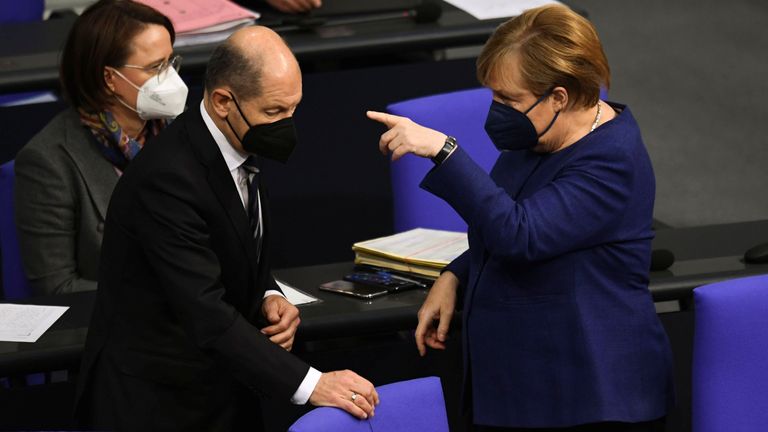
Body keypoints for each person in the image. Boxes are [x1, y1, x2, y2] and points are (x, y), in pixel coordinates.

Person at [368, 5, 673, 431]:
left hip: (589, 398)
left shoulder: (612, 160)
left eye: (508, 99)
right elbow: (504, 220)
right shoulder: (536, 135)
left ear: (559, 97)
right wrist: (456, 274)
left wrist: (444, 151)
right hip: (524, 385)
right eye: (493, 96)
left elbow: (521, 234)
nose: (496, 111)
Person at [75, 26, 379, 430]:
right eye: (274, 112)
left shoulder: (237, 141)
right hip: (156, 402)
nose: (287, 125)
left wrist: (267, 293)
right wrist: (312, 384)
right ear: (223, 101)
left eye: (293, 109)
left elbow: (233, 243)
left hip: (223, 387)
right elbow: (205, 311)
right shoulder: (167, 179)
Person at [14, 0, 188, 296]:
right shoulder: (48, 161)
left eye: (171, 62)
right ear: (110, 78)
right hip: (121, 327)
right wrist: (158, 301)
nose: (171, 78)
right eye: (155, 67)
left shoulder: (181, 135)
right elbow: (57, 287)